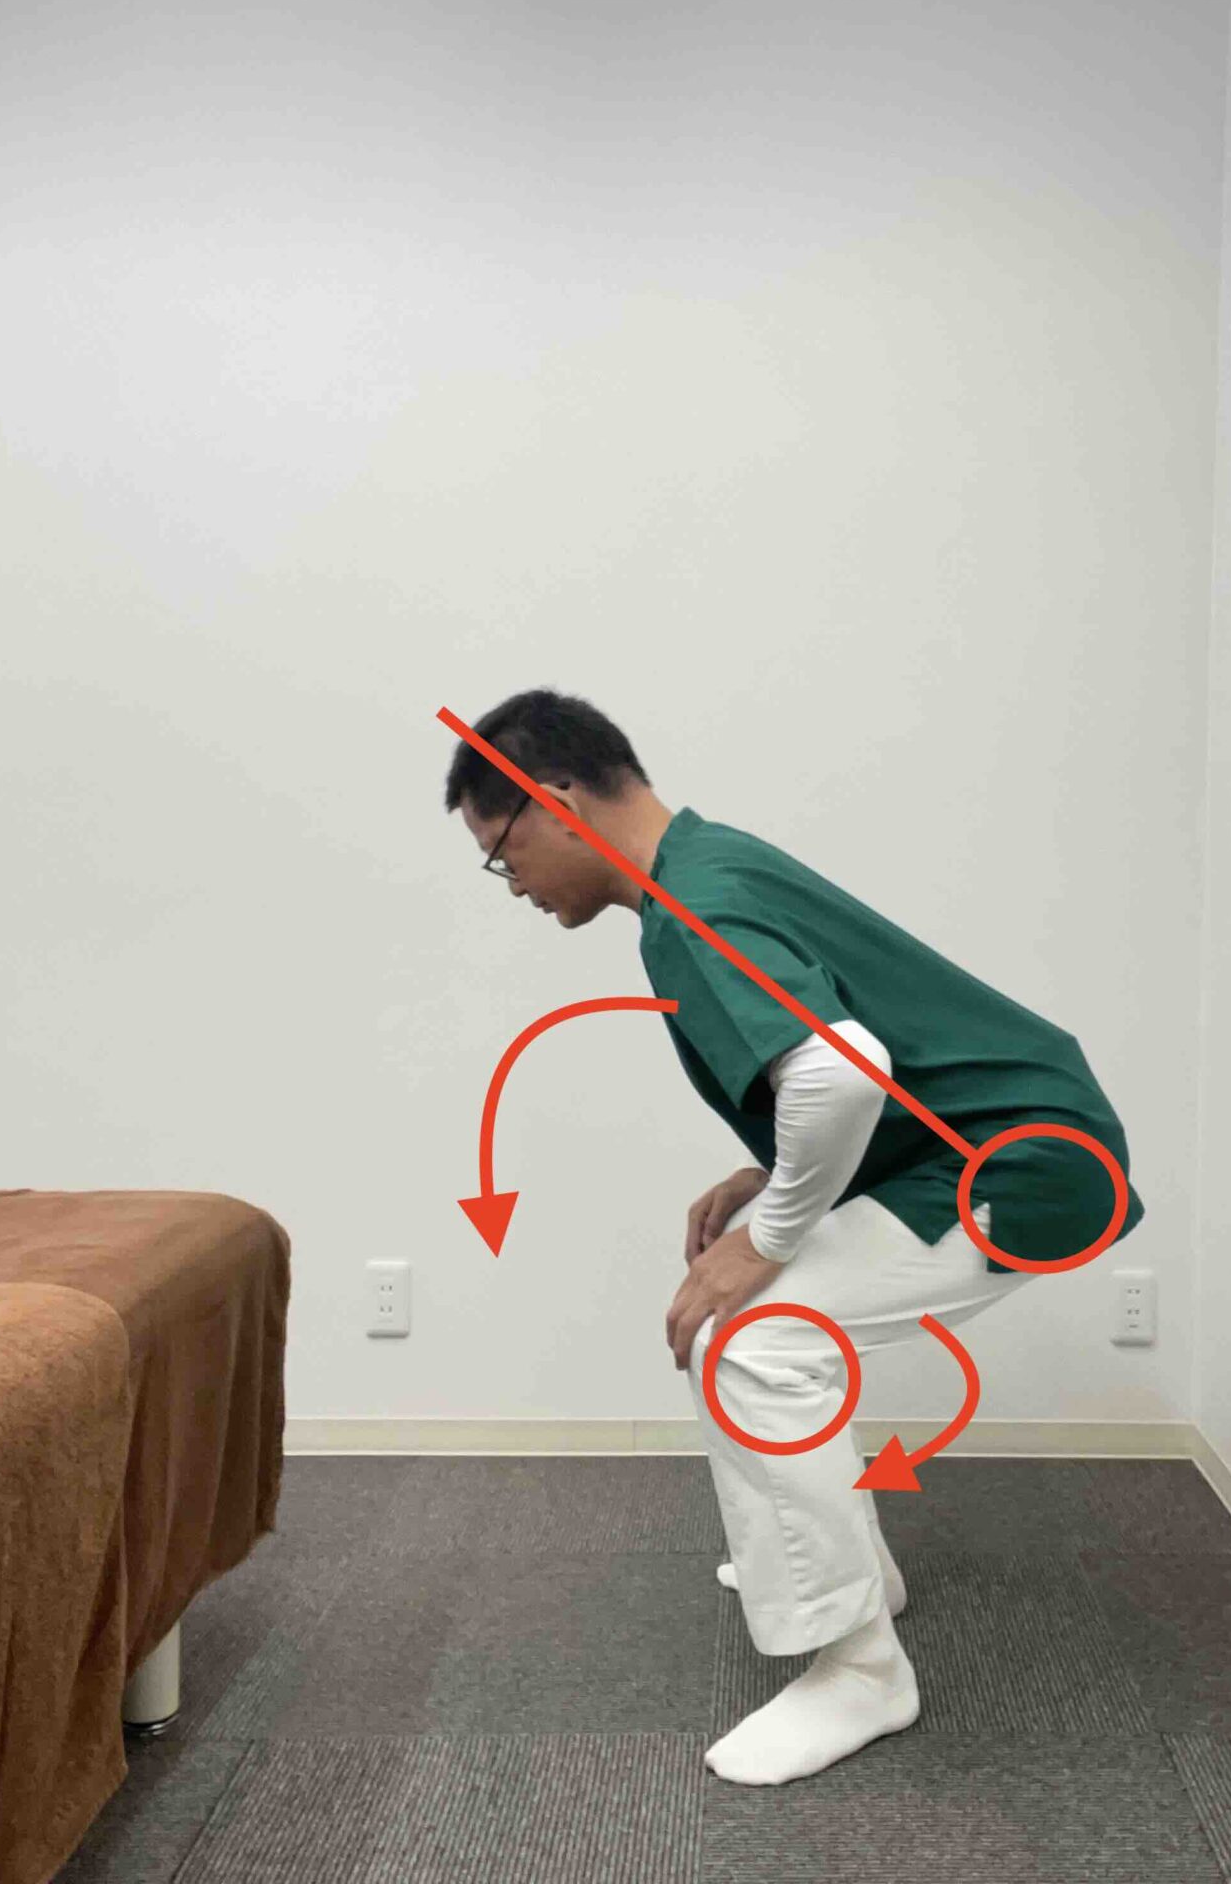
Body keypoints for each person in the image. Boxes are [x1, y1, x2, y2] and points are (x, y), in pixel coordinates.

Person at [444, 687, 1146, 1785]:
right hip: (983, 1143)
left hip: (1023, 1166)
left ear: (558, 801)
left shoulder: (696, 905)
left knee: (750, 1340)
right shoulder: (704, 865)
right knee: (755, 1321)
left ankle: (860, 1669)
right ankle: (851, 1574)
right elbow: (859, 1063)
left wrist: (771, 1234)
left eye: (503, 854)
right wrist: (771, 1177)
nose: (514, 886)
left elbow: (842, 1071)